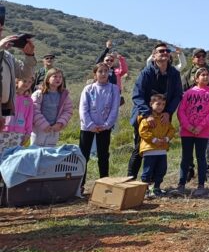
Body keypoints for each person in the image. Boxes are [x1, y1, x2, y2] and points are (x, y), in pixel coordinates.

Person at [128, 43, 183, 179]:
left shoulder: (174, 73)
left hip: (164, 117)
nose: (164, 53)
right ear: (154, 56)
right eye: (161, 51)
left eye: (167, 51)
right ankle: (130, 181)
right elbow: (137, 95)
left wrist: (168, 112)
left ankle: (152, 184)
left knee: (159, 149)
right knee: (139, 148)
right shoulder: (146, 73)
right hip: (145, 116)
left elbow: (177, 95)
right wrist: (147, 114)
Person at [176, 66, 209, 197]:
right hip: (187, 131)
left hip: (203, 131)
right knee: (186, 157)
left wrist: (201, 126)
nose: (205, 77)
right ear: (196, 78)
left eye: (207, 75)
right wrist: (188, 126)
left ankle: (201, 185)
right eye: (202, 75)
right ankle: (181, 184)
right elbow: (181, 111)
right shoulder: (188, 93)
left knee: (201, 157)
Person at [0, 3, 38, 152]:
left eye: (1, 29)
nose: (1, 32)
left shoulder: (7, 56)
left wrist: (29, 55)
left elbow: (25, 74)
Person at [79, 62, 121, 192]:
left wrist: (107, 124)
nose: (103, 74)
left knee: (103, 156)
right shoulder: (88, 89)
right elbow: (83, 109)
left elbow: (114, 109)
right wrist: (90, 125)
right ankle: (80, 185)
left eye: (106, 71)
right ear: (95, 74)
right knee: (84, 156)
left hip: (104, 127)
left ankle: (105, 184)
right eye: (100, 71)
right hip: (87, 127)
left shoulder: (114, 89)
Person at [181, 48, 209, 180]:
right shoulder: (187, 74)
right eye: (198, 56)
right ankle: (189, 170)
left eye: (203, 56)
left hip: (207, 113)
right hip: (190, 115)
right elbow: (183, 93)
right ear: (193, 58)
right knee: (188, 144)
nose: (201, 58)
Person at [139, 93, 176, 198]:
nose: (161, 106)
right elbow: (143, 131)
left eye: (163, 104)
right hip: (149, 149)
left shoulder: (164, 118)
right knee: (148, 171)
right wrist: (154, 140)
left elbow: (171, 130)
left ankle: (156, 188)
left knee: (161, 170)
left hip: (162, 150)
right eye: (158, 104)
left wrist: (167, 139)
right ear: (151, 104)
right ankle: (145, 190)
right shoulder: (147, 118)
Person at [31, 68, 73, 147]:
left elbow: (68, 111)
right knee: (36, 151)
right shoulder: (39, 94)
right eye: (55, 76)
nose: (58, 79)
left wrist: (60, 123)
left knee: (50, 151)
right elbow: (34, 110)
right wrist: (44, 125)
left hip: (54, 129)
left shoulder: (64, 96)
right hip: (39, 128)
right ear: (47, 79)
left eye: (60, 77)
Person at [1, 76, 34, 155]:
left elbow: (29, 118)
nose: (27, 84)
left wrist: (28, 133)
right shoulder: (7, 96)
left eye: (29, 82)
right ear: (17, 81)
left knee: (14, 156)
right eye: (24, 81)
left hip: (19, 134)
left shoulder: (29, 100)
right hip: (3, 130)